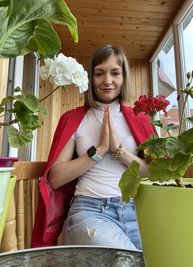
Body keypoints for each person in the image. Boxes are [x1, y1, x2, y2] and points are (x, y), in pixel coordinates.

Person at [32, 44, 155, 250]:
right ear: (91, 77)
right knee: (125, 262)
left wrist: (118, 150)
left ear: (124, 77)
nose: (107, 81)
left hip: (137, 211)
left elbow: (153, 173)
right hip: (89, 211)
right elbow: (55, 178)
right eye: (99, 73)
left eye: (115, 73)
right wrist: (97, 151)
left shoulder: (139, 118)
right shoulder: (73, 118)